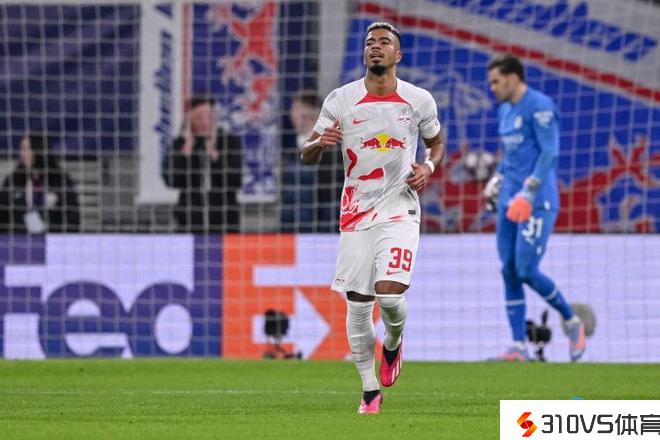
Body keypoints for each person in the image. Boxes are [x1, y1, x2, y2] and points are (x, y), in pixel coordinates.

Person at [301, 22, 445, 414]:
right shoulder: (341, 99)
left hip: (400, 207)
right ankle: (369, 391)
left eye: (384, 42)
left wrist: (428, 167)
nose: (375, 47)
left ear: (398, 55)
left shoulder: (419, 100)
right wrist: (319, 143)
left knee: (390, 295)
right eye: (369, 43)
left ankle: (394, 342)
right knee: (359, 305)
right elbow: (306, 153)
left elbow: (436, 143)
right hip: (356, 212)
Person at [483, 54, 586, 362]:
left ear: (513, 78)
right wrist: (497, 178)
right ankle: (519, 347)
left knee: (526, 269)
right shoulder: (505, 110)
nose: (492, 88)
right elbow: (512, 153)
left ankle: (572, 321)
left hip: (536, 201)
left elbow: (550, 153)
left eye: (496, 81)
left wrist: (528, 192)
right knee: (508, 269)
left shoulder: (540, 107)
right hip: (508, 200)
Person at [163, 94, 243, 233]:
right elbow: (171, 180)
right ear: (189, 119)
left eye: (209, 117)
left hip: (225, 222)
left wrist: (215, 156)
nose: (205, 122)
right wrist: (187, 151)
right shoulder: (180, 144)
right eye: (199, 117)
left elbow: (235, 181)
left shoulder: (229, 142)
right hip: (189, 222)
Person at [0, 133, 80, 233]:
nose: (22, 154)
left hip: (52, 239)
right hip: (20, 239)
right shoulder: (14, 180)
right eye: (21, 149)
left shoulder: (60, 180)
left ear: (39, 150)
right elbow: (2, 215)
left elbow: (72, 217)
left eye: (27, 149)